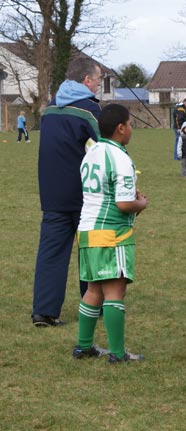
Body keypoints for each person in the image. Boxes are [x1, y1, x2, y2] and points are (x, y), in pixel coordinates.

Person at [73, 103, 148, 363]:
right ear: (120, 128)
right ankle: (117, 353)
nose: (131, 129)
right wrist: (142, 203)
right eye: (130, 125)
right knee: (115, 291)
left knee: (93, 288)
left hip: (86, 231)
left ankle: (84, 346)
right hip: (111, 234)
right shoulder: (120, 157)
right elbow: (124, 204)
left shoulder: (91, 153)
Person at [32, 57, 102, 327]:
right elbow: (105, 146)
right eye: (97, 80)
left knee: (51, 253)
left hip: (51, 193)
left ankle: (44, 311)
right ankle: (93, 306)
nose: (97, 85)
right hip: (85, 194)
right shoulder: (89, 109)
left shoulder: (50, 108)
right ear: (87, 81)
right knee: (92, 250)